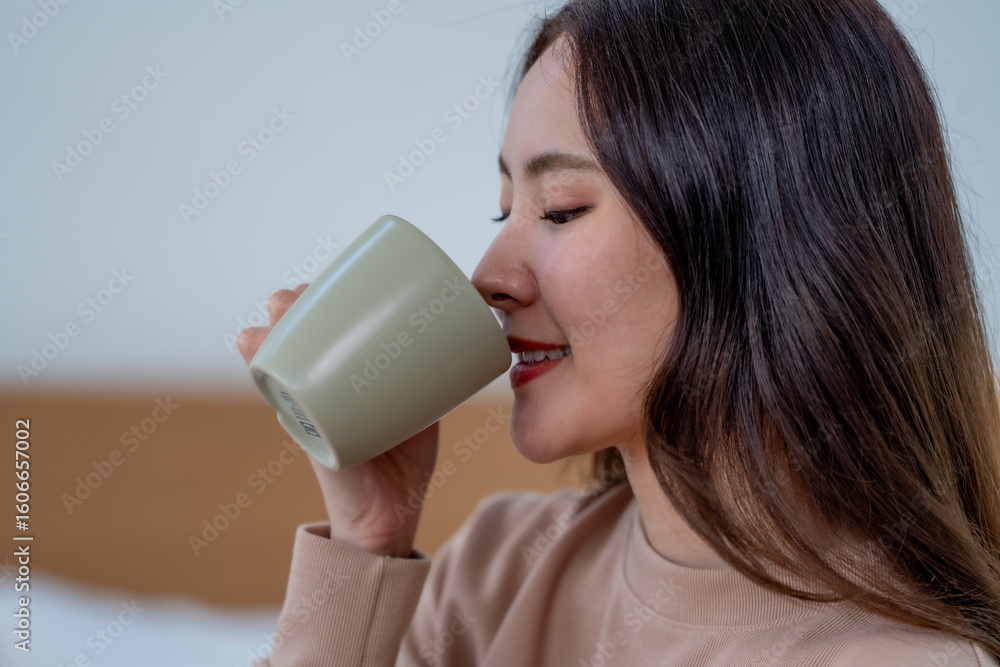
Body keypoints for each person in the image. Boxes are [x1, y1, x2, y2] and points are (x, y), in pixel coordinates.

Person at [236, 0, 1000, 664]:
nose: (488, 276)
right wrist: (365, 541)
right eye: (503, 212)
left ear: (767, 236)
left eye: (561, 209)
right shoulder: (497, 569)